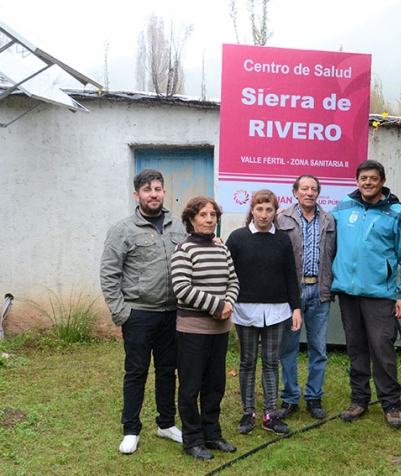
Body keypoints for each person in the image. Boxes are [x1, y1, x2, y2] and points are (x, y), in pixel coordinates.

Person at [100, 168, 186, 454]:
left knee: (167, 371)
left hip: (172, 313)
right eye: (147, 190)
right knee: (136, 371)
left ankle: (166, 424)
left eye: (158, 189)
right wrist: (121, 313)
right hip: (138, 314)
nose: (154, 194)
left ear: (164, 192)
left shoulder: (178, 227)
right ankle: (131, 429)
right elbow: (109, 274)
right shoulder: (123, 230)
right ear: (137, 195)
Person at [330, 160, 401, 429]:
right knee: (356, 348)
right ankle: (359, 400)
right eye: (363, 178)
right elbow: (320, 234)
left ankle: (391, 404)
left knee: (382, 348)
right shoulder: (343, 207)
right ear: (356, 180)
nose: (368, 182)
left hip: (381, 294)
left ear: (382, 181)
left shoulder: (396, 212)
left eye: (373, 178)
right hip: (348, 292)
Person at [226, 189, 302, 435]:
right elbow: (225, 271)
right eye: (259, 209)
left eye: (269, 209)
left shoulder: (282, 239)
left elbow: (290, 276)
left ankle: (270, 414)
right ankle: (248, 412)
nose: (264, 214)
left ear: (274, 211)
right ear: (252, 210)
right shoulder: (237, 238)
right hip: (245, 311)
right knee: (247, 362)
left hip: (277, 311)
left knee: (271, 363)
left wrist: (296, 308)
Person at [171, 196, 240, 460]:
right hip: (192, 330)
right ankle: (192, 441)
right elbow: (182, 288)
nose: (209, 219)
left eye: (213, 215)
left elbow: (233, 281)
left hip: (219, 331)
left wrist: (228, 303)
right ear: (190, 219)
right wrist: (216, 305)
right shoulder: (184, 250)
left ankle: (212, 435)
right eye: (203, 215)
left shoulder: (222, 249)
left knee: (215, 385)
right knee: (190, 387)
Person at [277, 175, 336, 420]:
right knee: (288, 348)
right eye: (304, 188)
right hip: (292, 294)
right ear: (295, 192)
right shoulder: (282, 219)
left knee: (318, 349)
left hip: (320, 292)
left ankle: (314, 397)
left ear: (318, 193)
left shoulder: (329, 220)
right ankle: (290, 398)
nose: (309, 192)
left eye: (314, 189)